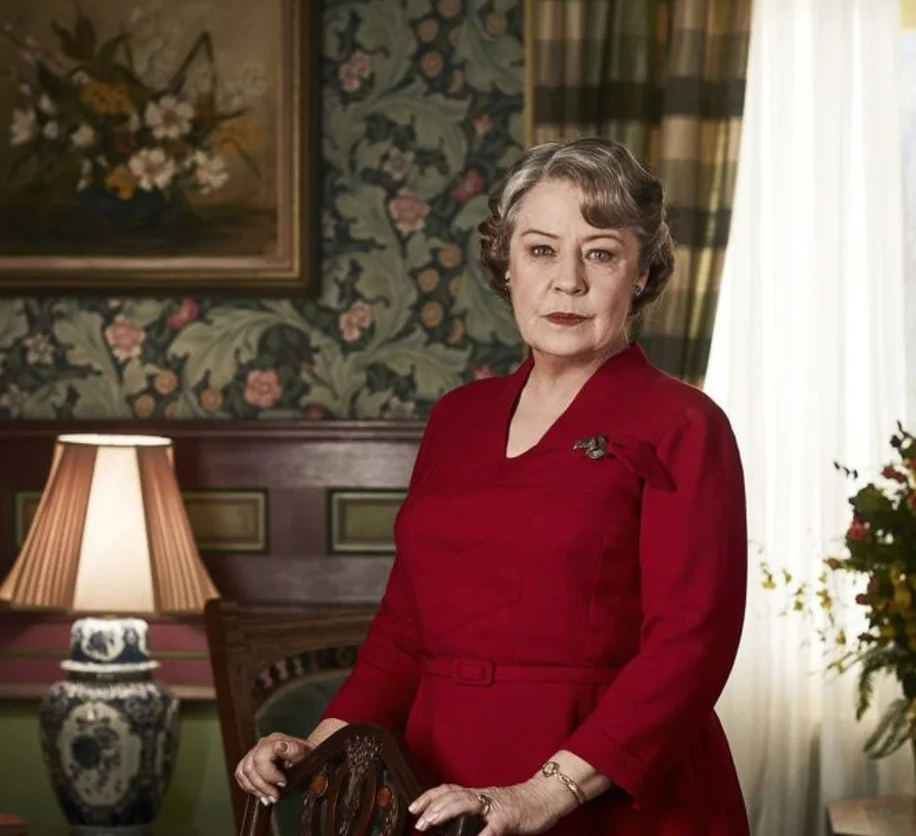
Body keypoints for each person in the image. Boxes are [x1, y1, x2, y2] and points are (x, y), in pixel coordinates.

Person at [234, 137, 750, 835]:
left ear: (643, 272)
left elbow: (690, 649)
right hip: (436, 786)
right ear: (507, 264)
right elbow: (405, 634)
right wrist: (319, 746)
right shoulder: (458, 419)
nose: (567, 281)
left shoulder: (685, 423)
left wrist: (541, 793)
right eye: (541, 250)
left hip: (613, 795)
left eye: (601, 253)